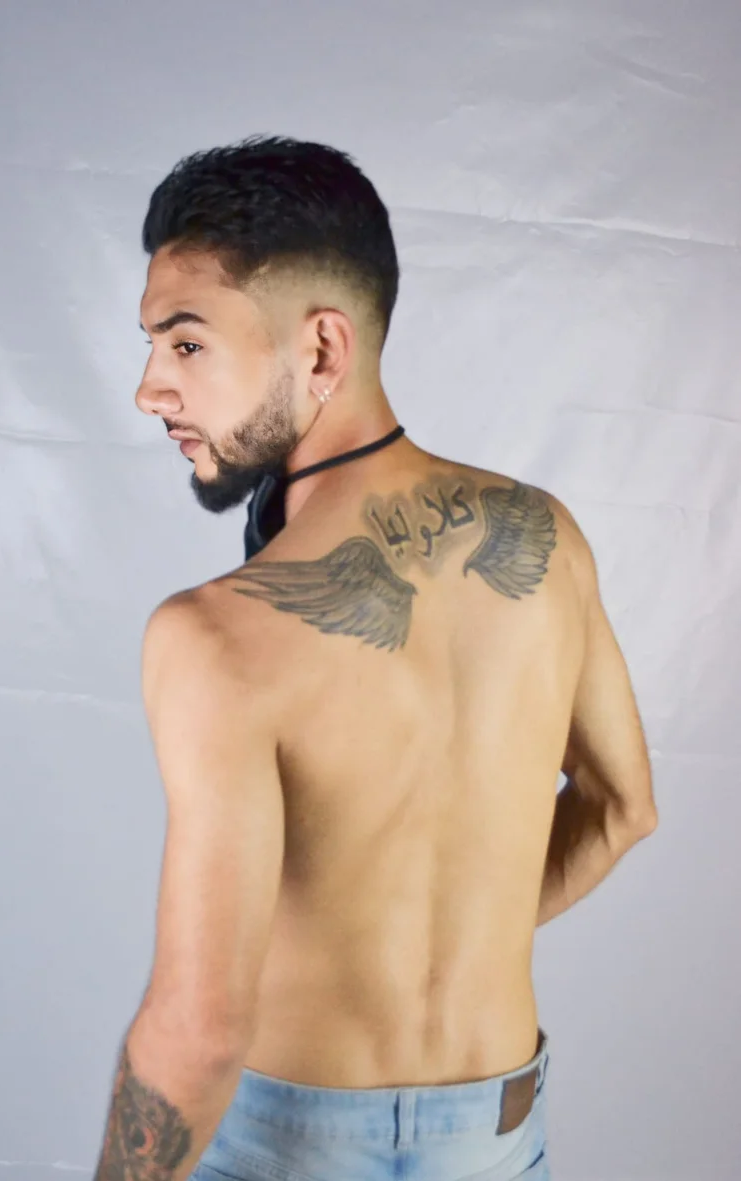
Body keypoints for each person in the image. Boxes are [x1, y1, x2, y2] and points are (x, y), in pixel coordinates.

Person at [92, 135, 657, 1181]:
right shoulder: (548, 539)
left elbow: (200, 1030)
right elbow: (623, 807)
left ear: (320, 351)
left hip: (283, 1146)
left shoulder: (214, 636)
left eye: (187, 344)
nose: (150, 389)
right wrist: (459, 938)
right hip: (496, 1138)